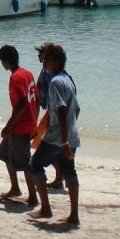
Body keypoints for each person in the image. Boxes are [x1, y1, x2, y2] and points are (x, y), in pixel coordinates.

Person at [28, 44, 81, 225]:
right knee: (70, 172)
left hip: (59, 137)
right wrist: (69, 133)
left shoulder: (56, 82)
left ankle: (46, 208)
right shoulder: (68, 79)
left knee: (35, 164)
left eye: (47, 59)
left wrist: (63, 140)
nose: (44, 61)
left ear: (57, 61)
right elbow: (77, 109)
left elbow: (61, 108)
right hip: (70, 135)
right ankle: (74, 215)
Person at [0, 45, 38, 204]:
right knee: (4, 153)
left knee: (25, 162)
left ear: (5, 61)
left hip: (20, 127)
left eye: (2, 61)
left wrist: (8, 126)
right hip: (25, 124)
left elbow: (22, 103)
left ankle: (33, 196)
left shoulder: (15, 77)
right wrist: (35, 121)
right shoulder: (28, 73)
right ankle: (15, 187)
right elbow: (37, 99)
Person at [32, 43, 64, 190]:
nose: (39, 55)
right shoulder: (47, 71)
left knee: (41, 144)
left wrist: (51, 119)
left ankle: (59, 176)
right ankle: (59, 177)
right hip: (50, 113)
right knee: (44, 144)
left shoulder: (50, 74)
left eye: (41, 53)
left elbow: (54, 97)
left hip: (51, 113)